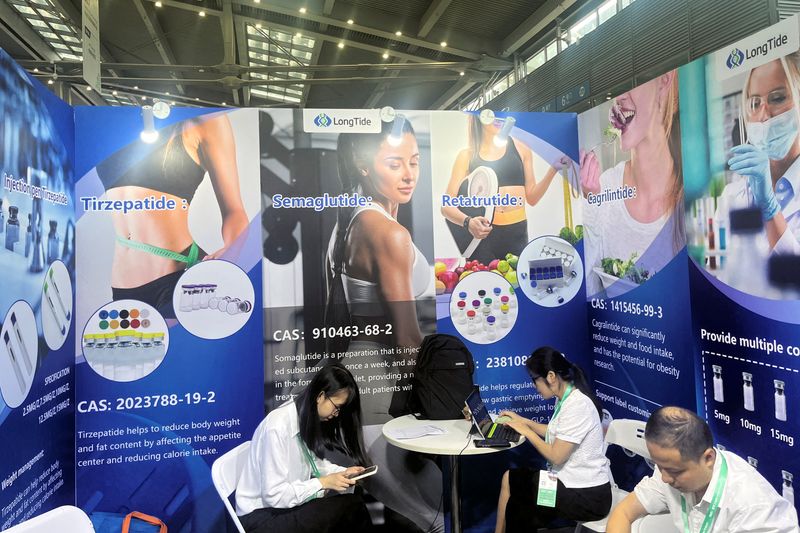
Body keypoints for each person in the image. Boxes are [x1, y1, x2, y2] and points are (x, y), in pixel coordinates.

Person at [325, 117, 442, 532]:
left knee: (403, 512)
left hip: (359, 381)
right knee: (430, 517)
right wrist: (436, 400)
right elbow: (408, 337)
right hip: (386, 388)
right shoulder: (388, 232)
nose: (409, 174)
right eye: (394, 163)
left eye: (414, 160)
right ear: (363, 164)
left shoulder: (349, 219)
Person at [97, 113, 249, 318]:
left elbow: (235, 211)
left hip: (180, 278)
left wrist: (232, 252)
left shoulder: (204, 121)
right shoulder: (111, 126)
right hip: (123, 287)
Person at [607, 406, 799, 533]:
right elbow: (623, 512)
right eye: (659, 466)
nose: (664, 478)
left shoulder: (751, 506)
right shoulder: (670, 470)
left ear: (708, 458)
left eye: (675, 471)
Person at [580, 71, 685, 296]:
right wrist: (591, 202)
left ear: (664, 80)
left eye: (632, 81)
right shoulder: (604, 186)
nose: (619, 97)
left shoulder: (691, 192)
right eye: (616, 88)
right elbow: (588, 291)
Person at [235, 364, 373, 533]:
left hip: (282, 508)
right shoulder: (277, 427)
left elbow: (312, 463)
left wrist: (341, 473)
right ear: (320, 396)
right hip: (260, 517)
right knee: (352, 507)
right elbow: (274, 496)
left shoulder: (301, 415)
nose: (336, 414)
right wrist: (322, 483)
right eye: (336, 407)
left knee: (351, 504)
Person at [493, 347, 611, 533]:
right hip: (568, 483)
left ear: (551, 376)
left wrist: (527, 431)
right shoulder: (564, 398)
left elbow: (556, 456)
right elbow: (557, 432)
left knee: (522, 501)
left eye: (535, 380)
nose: (534, 386)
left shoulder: (578, 405)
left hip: (587, 496)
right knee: (512, 478)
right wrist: (523, 421)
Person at [442, 114, 560, 264]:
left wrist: (553, 169)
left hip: (516, 233)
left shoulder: (521, 149)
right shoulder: (467, 155)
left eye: (501, 115)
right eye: (492, 115)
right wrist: (468, 222)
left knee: (516, 284)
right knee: (484, 283)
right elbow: (447, 206)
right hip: (482, 236)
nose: (498, 119)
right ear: (479, 118)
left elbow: (532, 198)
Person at [722, 53, 800, 255]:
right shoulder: (731, 196)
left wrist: (769, 207)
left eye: (777, 98)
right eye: (755, 104)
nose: (764, 116)